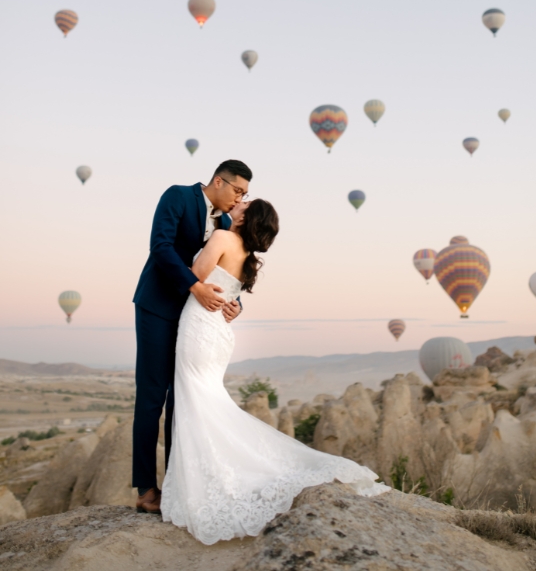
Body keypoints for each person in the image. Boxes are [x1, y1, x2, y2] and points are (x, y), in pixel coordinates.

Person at [159, 197, 388, 544]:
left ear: (245, 218)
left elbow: (195, 276)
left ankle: (213, 481)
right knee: (205, 401)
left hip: (199, 325)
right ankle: (215, 475)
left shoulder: (222, 239)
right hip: (218, 332)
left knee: (198, 402)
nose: (236, 204)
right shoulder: (247, 256)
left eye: (243, 205)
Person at [131, 160, 253, 514]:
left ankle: (176, 483)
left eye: (245, 195)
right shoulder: (178, 196)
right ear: (219, 181)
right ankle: (145, 488)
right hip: (157, 306)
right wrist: (194, 286)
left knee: (182, 399)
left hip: (194, 320)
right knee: (152, 395)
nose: (239, 199)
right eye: (238, 191)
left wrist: (235, 303)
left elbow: (227, 267)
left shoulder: (228, 224)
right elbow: (161, 246)